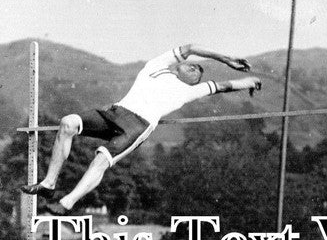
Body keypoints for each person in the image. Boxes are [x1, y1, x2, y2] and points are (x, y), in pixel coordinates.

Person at [21, 44, 261, 214]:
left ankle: (67, 203)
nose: (196, 70)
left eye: (198, 73)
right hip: (115, 112)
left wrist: (249, 82)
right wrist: (225, 58)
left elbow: (223, 86)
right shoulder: (155, 66)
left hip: (137, 126)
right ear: (179, 66)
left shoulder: (190, 91)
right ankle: (49, 184)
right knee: (68, 122)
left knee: (102, 158)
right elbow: (190, 47)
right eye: (193, 66)